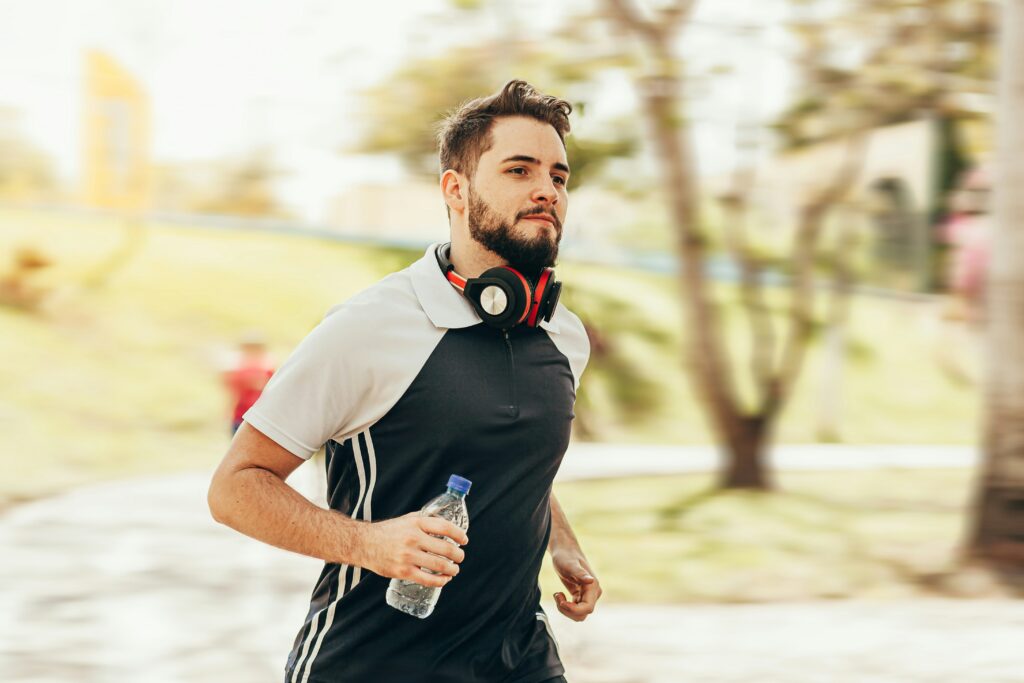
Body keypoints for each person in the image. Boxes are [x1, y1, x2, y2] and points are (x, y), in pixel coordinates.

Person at [208, 80, 601, 683]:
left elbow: (507, 452)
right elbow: (234, 489)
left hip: (520, 658)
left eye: (558, 175)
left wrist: (560, 539)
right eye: (519, 170)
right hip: (374, 662)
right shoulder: (368, 328)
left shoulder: (563, 336)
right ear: (456, 190)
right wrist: (371, 545)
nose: (546, 190)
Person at [221, 331, 275, 434]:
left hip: (261, 417)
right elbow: (232, 393)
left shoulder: (268, 370)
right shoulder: (238, 371)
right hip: (240, 416)